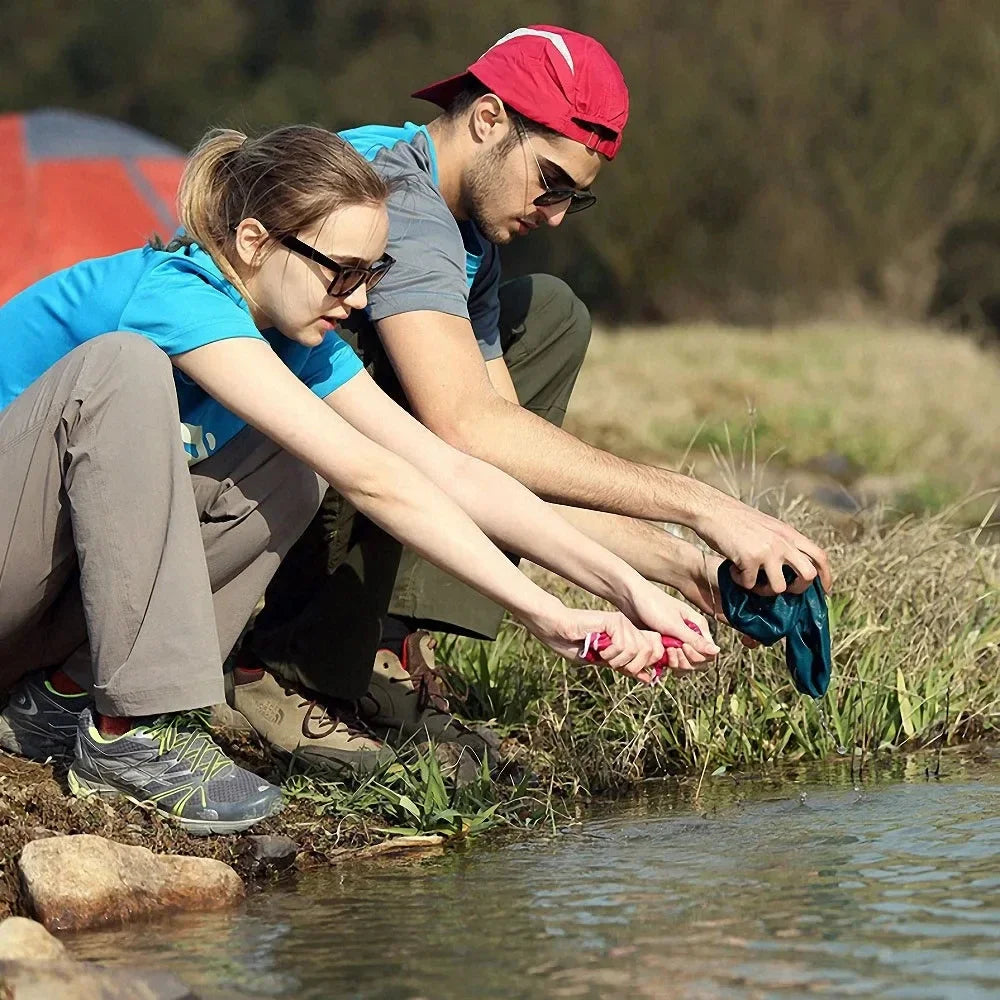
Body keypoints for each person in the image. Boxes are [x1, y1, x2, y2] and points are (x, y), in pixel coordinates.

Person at [0, 123, 718, 829]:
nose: (360, 300)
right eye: (341, 272)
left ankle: (62, 700)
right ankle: (135, 733)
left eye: (371, 274)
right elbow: (374, 482)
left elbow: (443, 471)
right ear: (253, 243)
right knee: (122, 369)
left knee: (293, 468)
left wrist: (624, 592)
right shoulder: (172, 293)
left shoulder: (294, 339)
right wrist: (543, 612)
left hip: (37, 613)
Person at [237, 25, 833, 773]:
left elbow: (507, 461)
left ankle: (383, 646)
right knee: (398, 373)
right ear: (488, 119)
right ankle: (290, 670)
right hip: (216, 483)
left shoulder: (468, 231)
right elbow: (465, 429)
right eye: (550, 181)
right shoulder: (399, 201)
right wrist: (703, 505)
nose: (553, 215)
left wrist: (684, 568)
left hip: (327, 465)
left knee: (547, 315)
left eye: (573, 201)